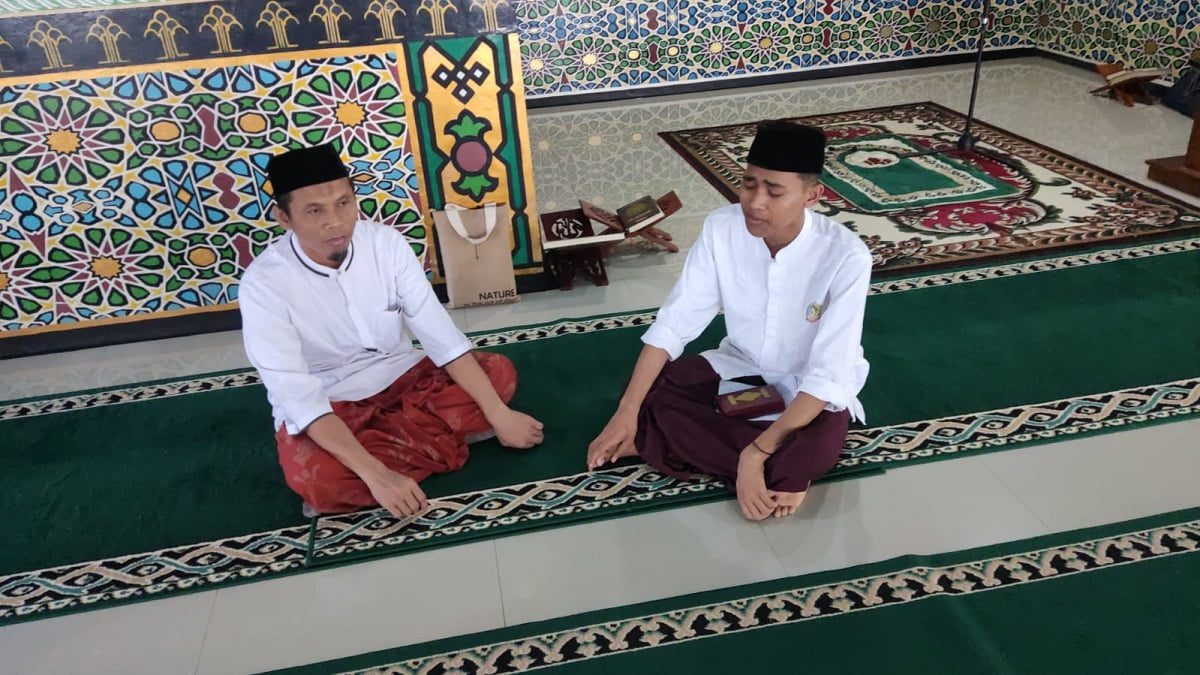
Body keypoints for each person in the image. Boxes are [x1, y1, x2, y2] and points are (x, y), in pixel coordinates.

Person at [239, 143, 544, 519]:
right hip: (332, 401)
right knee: (318, 479)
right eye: (314, 211)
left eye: (343, 203)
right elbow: (296, 394)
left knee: (498, 373)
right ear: (284, 218)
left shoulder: (386, 245)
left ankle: (399, 449)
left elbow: (441, 338)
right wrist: (377, 475)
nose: (335, 221)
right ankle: (417, 448)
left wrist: (498, 413)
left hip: (403, 376)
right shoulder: (262, 286)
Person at [587, 121, 870, 521]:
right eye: (748, 184)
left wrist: (755, 454)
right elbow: (675, 323)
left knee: (817, 440)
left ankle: (737, 457)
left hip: (808, 389)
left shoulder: (846, 256)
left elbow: (827, 374)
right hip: (740, 366)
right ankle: (775, 469)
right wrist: (625, 412)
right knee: (648, 391)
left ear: (812, 195)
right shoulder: (722, 228)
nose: (755, 202)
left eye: (774, 192)